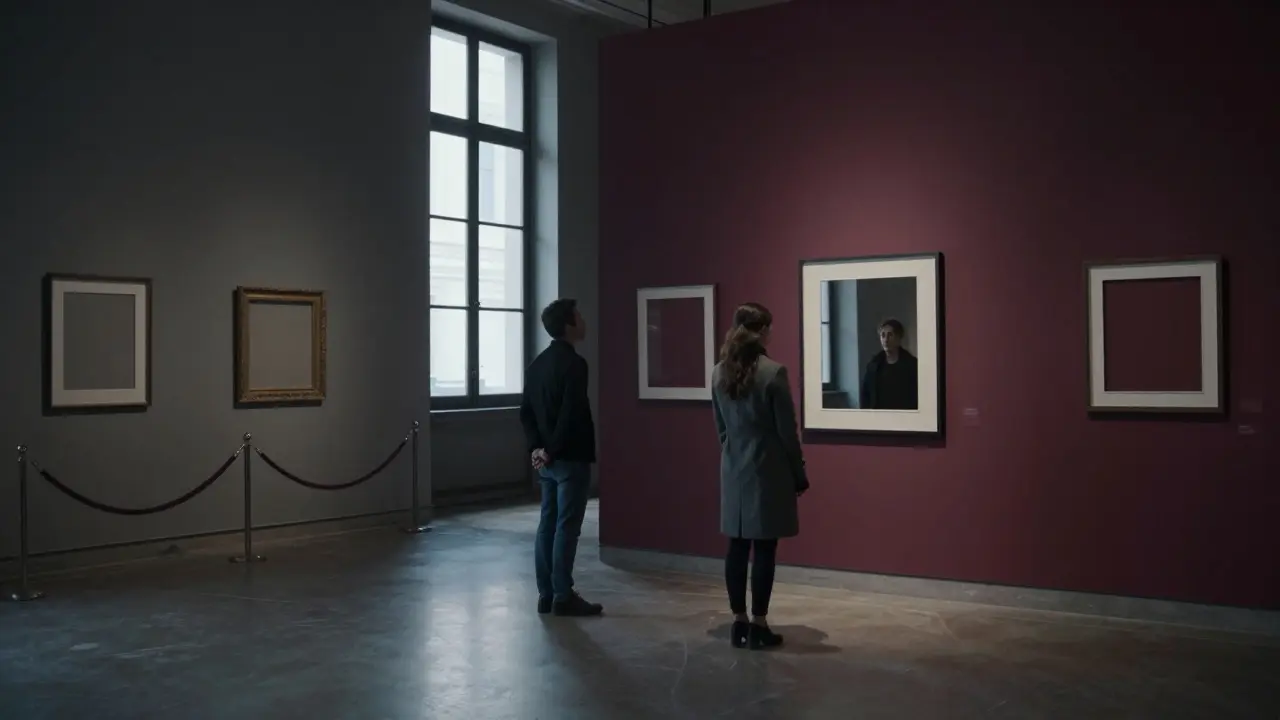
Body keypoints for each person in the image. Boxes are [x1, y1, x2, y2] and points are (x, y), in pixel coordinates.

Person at [711, 302, 809, 650]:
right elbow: (787, 433)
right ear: (762, 330)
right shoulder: (773, 372)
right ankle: (759, 624)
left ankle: (738, 623)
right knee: (765, 548)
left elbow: (721, 429)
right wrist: (799, 474)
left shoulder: (718, 372)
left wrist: (735, 453)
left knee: (736, 546)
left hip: (734, 470)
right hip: (767, 471)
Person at [519, 298, 603, 618]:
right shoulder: (575, 364)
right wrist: (551, 449)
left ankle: (547, 593)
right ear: (568, 325)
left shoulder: (537, 365)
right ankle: (563, 595)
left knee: (547, 525)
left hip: (548, 461)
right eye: (579, 316)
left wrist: (537, 449)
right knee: (567, 527)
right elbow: (571, 414)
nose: (583, 321)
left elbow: (526, 413)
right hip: (569, 457)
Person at [858, 318, 919, 410]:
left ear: (899, 338)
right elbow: (866, 394)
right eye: (883, 335)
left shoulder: (911, 365)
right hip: (879, 417)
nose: (886, 340)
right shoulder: (874, 365)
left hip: (903, 417)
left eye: (890, 335)